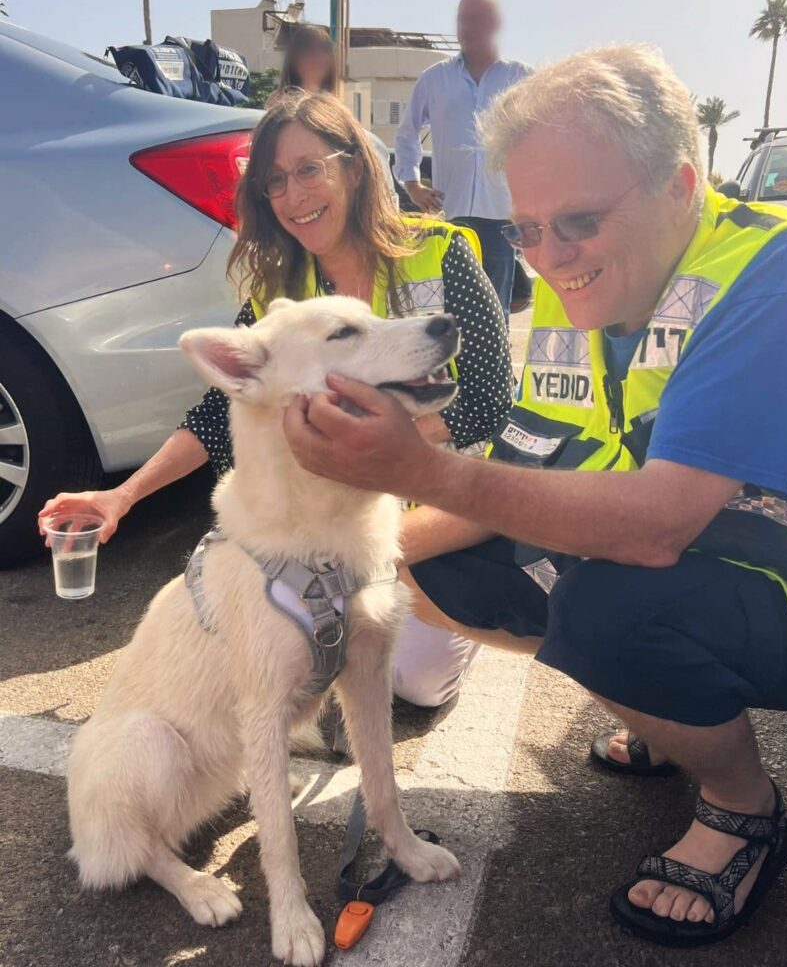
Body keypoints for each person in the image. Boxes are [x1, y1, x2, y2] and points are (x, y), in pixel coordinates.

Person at [282, 47, 787, 946]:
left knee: (610, 609)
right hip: (729, 560)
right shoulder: (595, 294)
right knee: (442, 567)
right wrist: (349, 565)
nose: (548, 258)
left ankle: (741, 807)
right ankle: (665, 713)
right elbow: (530, 477)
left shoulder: (773, 281)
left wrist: (415, 472)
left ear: (680, 184)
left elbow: (655, 528)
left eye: (575, 220)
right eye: (527, 230)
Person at [39, 89, 513, 709]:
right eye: (276, 182)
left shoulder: (441, 251)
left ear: (352, 165)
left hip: (441, 504)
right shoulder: (279, 299)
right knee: (286, 626)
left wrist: (370, 450)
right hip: (338, 515)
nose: (294, 197)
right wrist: (120, 495)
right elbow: (215, 418)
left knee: (414, 680)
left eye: (309, 170)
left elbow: (488, 397)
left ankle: (456, 604)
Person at [394, 0, 531, 319]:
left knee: (496, 310)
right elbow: (407, 133)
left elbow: (545, 140)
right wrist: (413, 185)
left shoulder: (521, 79)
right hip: (451, 215)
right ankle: (455, 371)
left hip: (501, 217)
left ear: (496, 24)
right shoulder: (435, 80)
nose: (467, 27)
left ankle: (493, 371)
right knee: (451, 310)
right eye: (463, 19)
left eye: (477, 19)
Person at [268, 24, 397, 206]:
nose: (316, 56)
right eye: (306, 48)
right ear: (293, 57)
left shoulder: (347, 125)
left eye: (324, 48)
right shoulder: (276, 119)